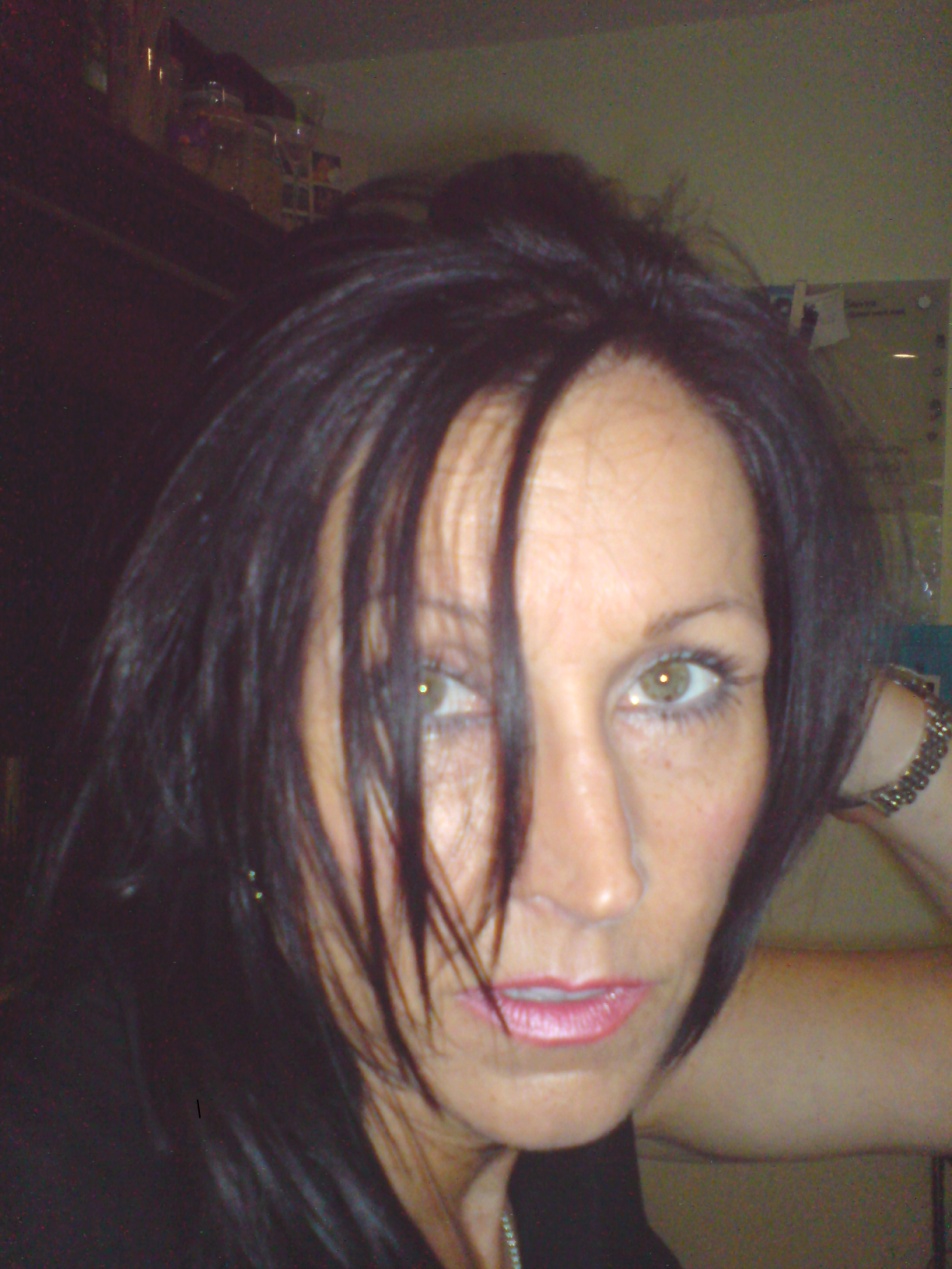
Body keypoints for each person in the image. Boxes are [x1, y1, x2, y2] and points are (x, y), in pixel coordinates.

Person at [0, 153, 949, 1269]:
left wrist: (839, 708)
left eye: (673, 682)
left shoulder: (549, 1028)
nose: (596, 879)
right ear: (228, 735)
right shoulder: (71, 1184)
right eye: (425, 691)